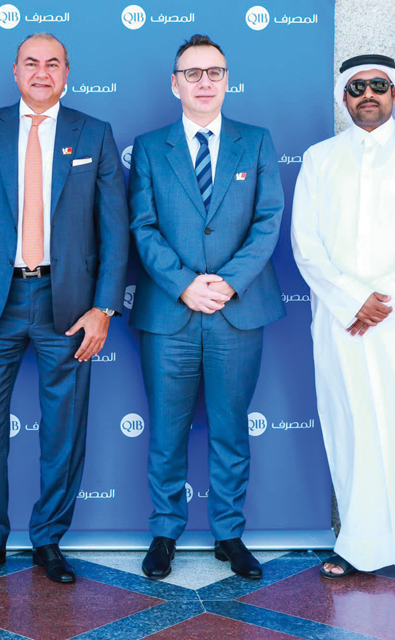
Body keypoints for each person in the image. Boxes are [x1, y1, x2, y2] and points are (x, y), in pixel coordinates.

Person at [0, 33, 128, 584]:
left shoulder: (94, 132)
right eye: (31, 63)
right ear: (15, 71)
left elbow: (115, 230)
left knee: (63, 427)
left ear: (67, 73)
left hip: (66, 303)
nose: (41, 72)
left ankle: (48, 539)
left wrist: (104, 308)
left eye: (52, 64)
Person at [291, 54, 395, 588]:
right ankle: (359, 545)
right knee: (354, 429)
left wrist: (385, 297)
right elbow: (306, 244)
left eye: (379, 86)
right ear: (344, 96)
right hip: (343, 322)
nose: (368, 94)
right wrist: (352, 299)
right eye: (357, 86)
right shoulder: (321, 158)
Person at [128, 34, 285, 581]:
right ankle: (165, 532)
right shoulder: (150, 147)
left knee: (230, 430)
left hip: (236, 312)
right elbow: (143, 226)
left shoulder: (256, 142)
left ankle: (229, 534)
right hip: (170, 313)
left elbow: (268, 221)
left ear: (227, 80)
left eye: (214, 72)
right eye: (192, 73)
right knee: (166, 432)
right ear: (175, 84)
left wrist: (228, 284)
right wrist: (184, 286)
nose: (204, 82)